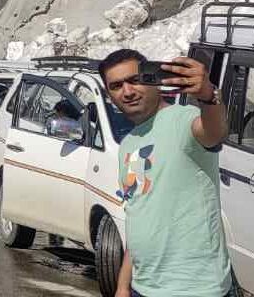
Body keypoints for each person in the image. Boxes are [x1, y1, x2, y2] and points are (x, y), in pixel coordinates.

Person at [99, 49, 233, 297]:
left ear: (154, 80)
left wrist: (208, 96)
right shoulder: (128, 144)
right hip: (143, 287)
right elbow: (138, 213)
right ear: (109, 95)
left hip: (194, 289)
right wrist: (122, 285)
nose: (127, 92)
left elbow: (214, 132)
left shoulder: (184, 120)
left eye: (134, 80)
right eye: (116, 86)